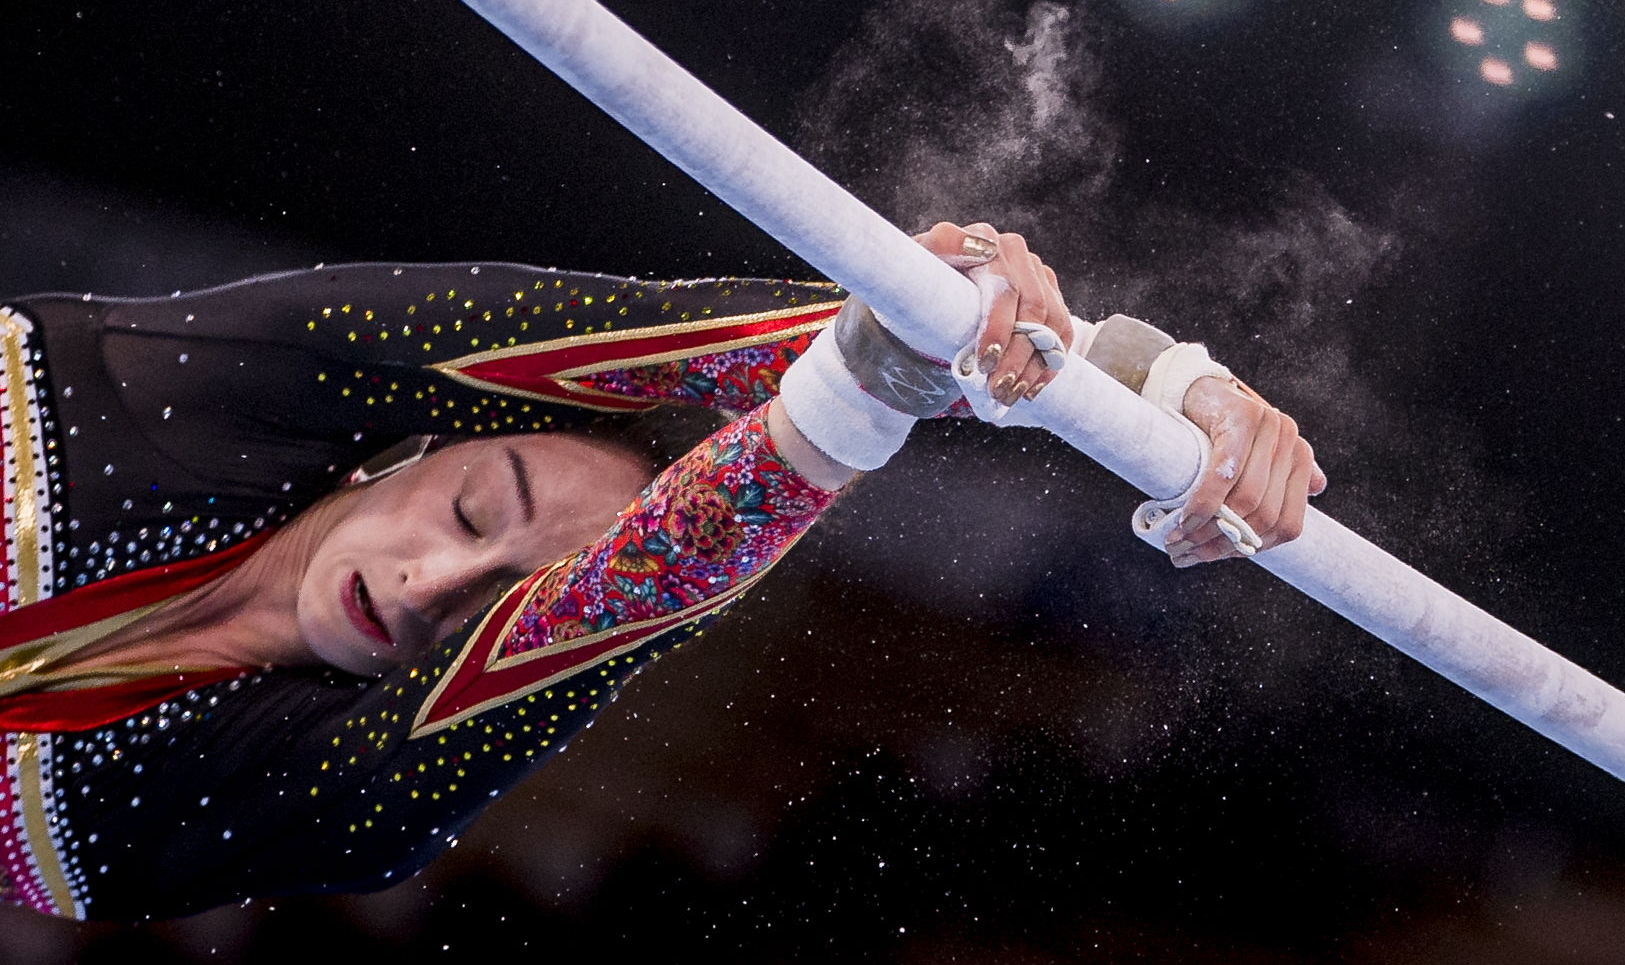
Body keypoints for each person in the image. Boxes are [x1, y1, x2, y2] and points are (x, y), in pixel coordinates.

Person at [0, 223, 1319, 921]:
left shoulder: (314, 802)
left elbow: (626, 590)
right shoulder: (174, 393)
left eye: (489, 602)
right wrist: (1139, 371)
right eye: (470, 508)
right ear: (400, 445)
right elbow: (656, 339)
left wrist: (908, 379)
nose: (427, 584)